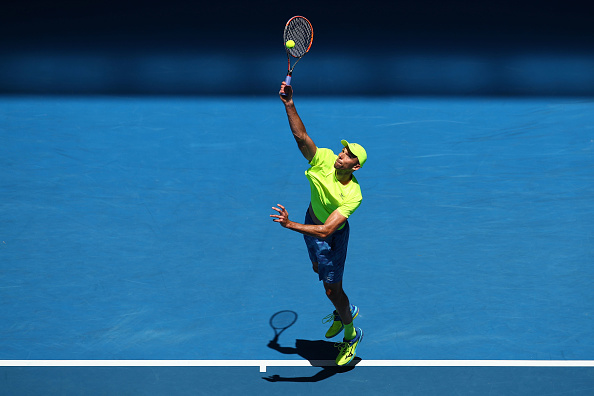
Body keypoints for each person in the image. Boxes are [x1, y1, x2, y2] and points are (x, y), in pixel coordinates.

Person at [270, 81, 367, 366]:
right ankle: (344, 310)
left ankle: (351, 333)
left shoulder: (353, 195)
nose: (341, 155)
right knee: (317, 270)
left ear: (355, 166)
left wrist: (290, 225)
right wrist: (289, 104)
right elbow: (302, 137)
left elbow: (326, 231)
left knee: (331, 289)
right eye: (342, 151)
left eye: (348, 155)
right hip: (311, 222)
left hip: (330, 236)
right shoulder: (324, 159)